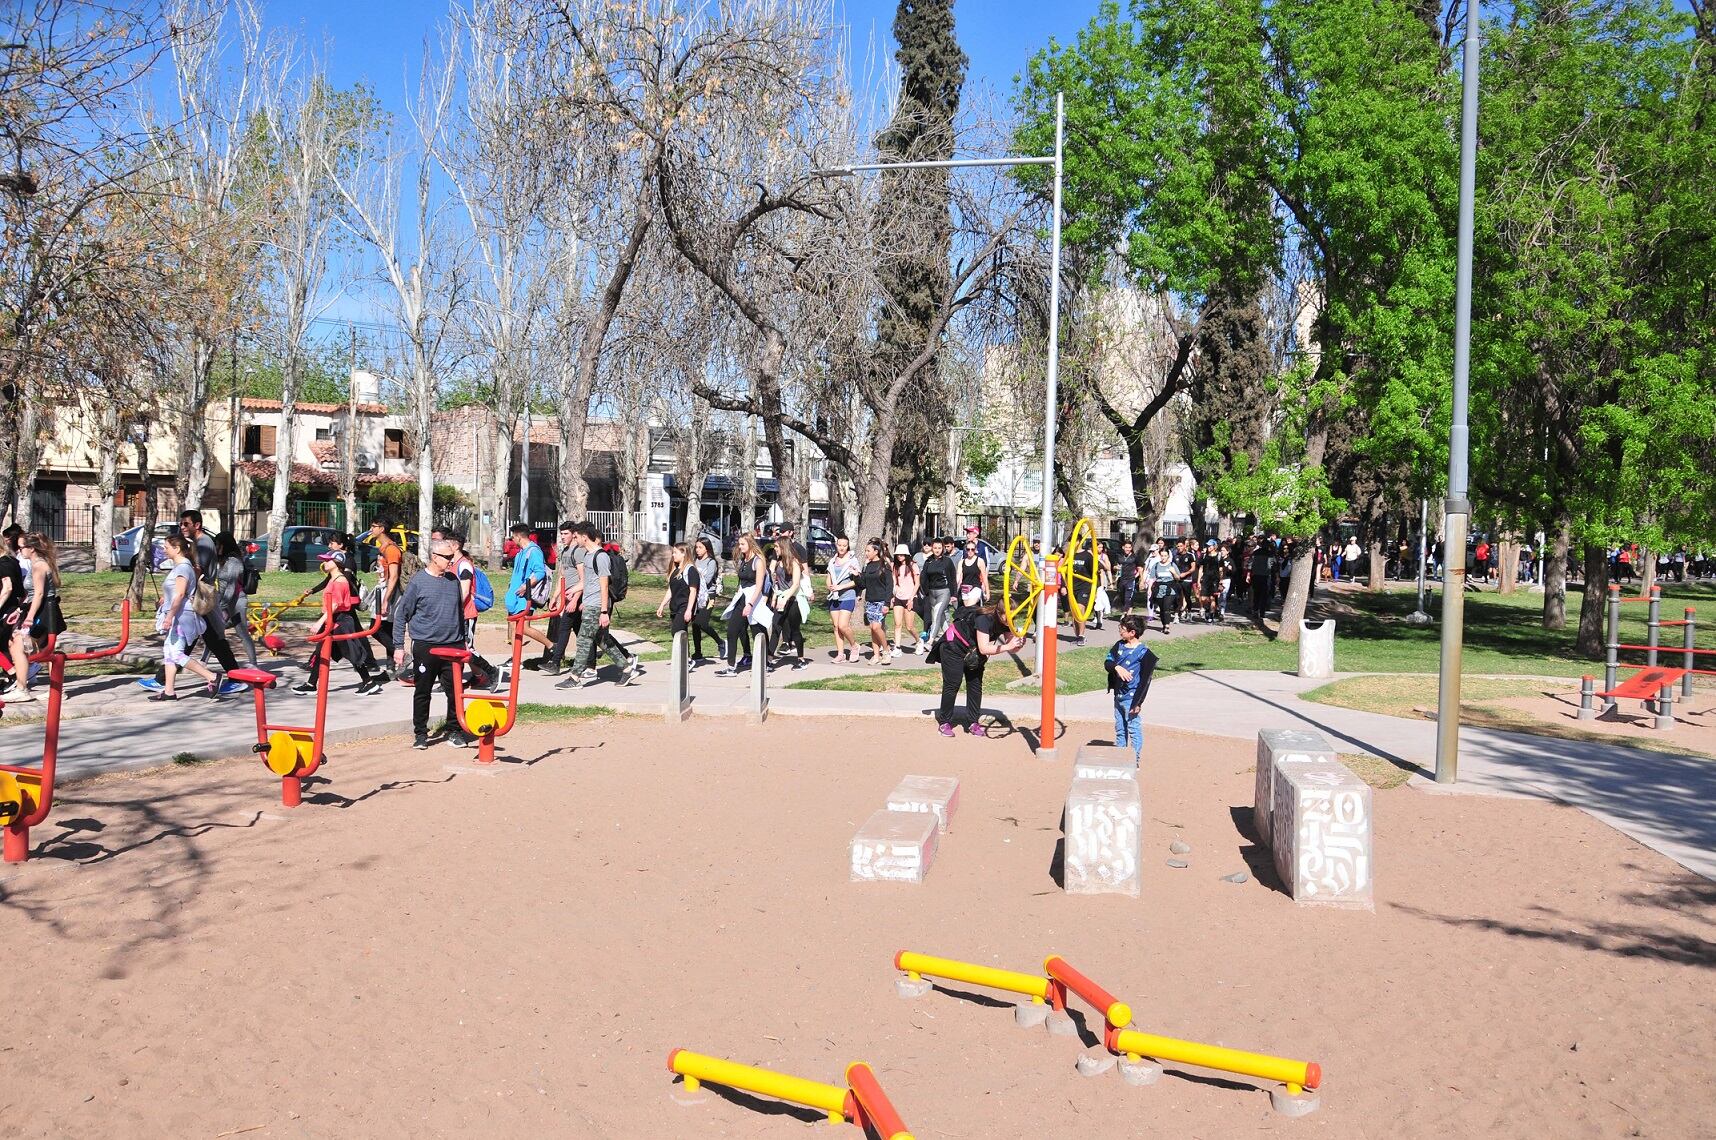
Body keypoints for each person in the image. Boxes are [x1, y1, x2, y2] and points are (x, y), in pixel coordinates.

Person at [391, 540, 471, 748]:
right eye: (447, 558)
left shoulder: (453, 581)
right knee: (423, 690)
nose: (451, 562)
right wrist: (398, 646)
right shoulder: (418, 582)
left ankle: (454, 730)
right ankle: (421, 734)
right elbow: (402, 615)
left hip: (453, 645)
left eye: (452, 558)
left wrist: (463, 642)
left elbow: (458, 613)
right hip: (427, 646)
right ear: (434, 557)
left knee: (455, 691)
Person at [933, 586, 1026, 737]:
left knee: (975, 684)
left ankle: (973, 722)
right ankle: (945, 722)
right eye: (1008, 616)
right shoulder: (984, 619)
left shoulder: (1007, 623)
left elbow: (1011, 648)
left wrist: (1018, 644)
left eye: (1014, 617)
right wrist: (1008, 645)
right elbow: (984, 648)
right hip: (953, 646)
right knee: (953, 683)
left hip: (973, 651)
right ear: (999, 612)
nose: (1011, 620)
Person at [293, 550, 382, 695]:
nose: (324, 563)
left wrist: (319, 623)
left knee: (352, 653)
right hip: (334, 620)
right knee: (322, 652)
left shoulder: (340, 581)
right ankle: (311, 684)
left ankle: (369, 682)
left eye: (328, 560)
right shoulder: (333, 579)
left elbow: (335, 605)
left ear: (337, 563)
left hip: (341, 621)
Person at [152, 533, 222, 701]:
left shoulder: (183, 567)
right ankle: (169, 691)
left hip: (181, 618)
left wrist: (169, 616)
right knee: (169, 652)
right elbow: (175, 593)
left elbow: (181, 594)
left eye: (166, 547)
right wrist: (164, 601)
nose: (164, 550)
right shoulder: (180, 567)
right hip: (178, 616)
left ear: (177, 549)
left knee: (176, 654)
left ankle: (212, 677)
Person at [568, 522, 639, 685]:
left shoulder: (601, 557)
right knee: (602, 640)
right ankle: (627, 669)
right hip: (590, 603)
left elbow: (604, 585)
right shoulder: (587, 556)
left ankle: (574, 678)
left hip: (597, 606)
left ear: (585, 537)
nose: (575, 539)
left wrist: (604, 611)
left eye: (576, 536)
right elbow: (587, 582)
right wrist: (574, 591)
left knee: (584, 639)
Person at [1104, 615, 1157, 761]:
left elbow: (1145, 681)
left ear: (1132, 632)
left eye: (1122, 629)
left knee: (1133, 729)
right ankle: (1121, 758)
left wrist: (1138, 703)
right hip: (1119, 696)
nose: (1120, 631)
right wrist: (1117, 667)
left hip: (1132, 698)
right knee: (1120, 729)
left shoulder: (1144, 653)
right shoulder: (1119, 645)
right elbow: (1108, 663)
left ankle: (1135, 760)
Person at [718, 533, 768, 675]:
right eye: (739, 544)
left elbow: (759, 586)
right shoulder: (744, 560)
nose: (740, 547)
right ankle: (731, 667)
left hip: (754, 601)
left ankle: (763, 663)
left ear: (750, 544)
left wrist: (750, 604)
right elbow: (742, 582)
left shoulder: (758, 561)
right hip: (742, 598)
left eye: (742, 544)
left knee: (758, 632)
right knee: (732, 631)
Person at [505, 522, 555, 664]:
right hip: (515, 597)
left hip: (525, 597)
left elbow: (539, 572)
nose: (512, 540)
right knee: (515, 627)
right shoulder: (521, 552)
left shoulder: (534, 551)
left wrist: (526, 587)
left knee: (524, 627)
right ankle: (515, 660)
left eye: (513, 537)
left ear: (518, 536)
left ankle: (551, 646)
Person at [209, 532, 258, 668]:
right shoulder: (223, 561)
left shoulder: (234, 561)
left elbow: (231, 586)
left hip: (237, 603)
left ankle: (253, 664)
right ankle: (203, 662)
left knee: (242, 633)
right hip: (226, 601)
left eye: (217, 544)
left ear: (224, 545)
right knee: (214, 631)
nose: (215, 547)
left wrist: (222, 606)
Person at [367, 517, 405, 664]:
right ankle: (392, 668)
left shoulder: (391, 549)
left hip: (390, 592)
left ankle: (401, 655)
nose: (371, 529)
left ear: (381, 529)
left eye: (373, 526)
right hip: (384, 590)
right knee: (387, 629)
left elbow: (394, 576)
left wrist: (386, 600)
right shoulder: (383, 547)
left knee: (376, 628)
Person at [769, 539, 807, 669]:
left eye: (777, 547)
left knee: (795, 630)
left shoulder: (794, 563)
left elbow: (796, 584)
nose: (775, 549)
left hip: (793, 600)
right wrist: (775, 597)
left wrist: (785, 598)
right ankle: (769, 659)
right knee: (776, 627)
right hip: (781, 600)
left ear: (784, 548)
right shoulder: (779, 563)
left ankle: (801, 660)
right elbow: (778, 583)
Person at [0, 527, 28, 700]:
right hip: (11, 607)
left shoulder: (4, 563)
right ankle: (12, 674)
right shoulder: (11, 560)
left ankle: (12, 674)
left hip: (7, 608)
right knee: (4, 644)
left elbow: (8, 587)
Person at [655, 543, 700, 648]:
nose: (673, 555)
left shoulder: (691, 570)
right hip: (674, 606)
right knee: (681, 633)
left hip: (684, 606)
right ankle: (686, 659)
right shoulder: (675, 570)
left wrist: (689, 610)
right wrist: (662, 605)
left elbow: (693, 591)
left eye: (675, 552)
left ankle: (684, 659)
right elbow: (671, 590)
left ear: (684, 553)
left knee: (676, 632)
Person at [689, 536, 725, 665]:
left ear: (707, 548)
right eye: (696, 547)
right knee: (695, 625)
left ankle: (720, 642)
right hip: (696, 596)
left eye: (700, 547)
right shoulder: (694, 561)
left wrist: (694, 579)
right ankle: (698, 652)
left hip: (709, 596)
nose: (697, 550)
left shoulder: (711, 562)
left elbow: (708, 579)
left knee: (702, 623)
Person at [825, 535, 861, 663]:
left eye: (844, 546)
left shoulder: (853, 560)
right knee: (836, 626)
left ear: (848, 546)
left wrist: (840, 587)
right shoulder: (832, 561)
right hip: (834, 597)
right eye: (839, 545)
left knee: (843, 625)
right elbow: (829, 575)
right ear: (836, 545)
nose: (842, 548)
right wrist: (829, 585)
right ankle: (841, 654)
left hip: (848, 596)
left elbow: (856, 581)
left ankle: (854, 645)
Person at [860, 538, 893, 664]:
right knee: (872, 629)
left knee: (876, 626)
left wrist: (887, 603)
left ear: (876, 551)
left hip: (881, 601)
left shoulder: (884, 565)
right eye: (865, 550)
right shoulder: (867, 566)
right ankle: (876, 655)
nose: (866, 553)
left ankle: (886, 650)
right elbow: (863, 584)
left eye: (868, 550)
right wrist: (857, 574)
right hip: (870, 601)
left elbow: (890, 586)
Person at [920, 537, 955, 647]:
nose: (937, 550)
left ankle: (930, 641)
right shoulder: (928, 561)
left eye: (939, 548)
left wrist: (953, 594)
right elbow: (923, 578)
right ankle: (952, 639)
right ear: (932, 548)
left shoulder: (947, 561)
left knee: (936, 615)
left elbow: (952, 578)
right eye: (935, 548)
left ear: (943, 548)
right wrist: (925, 592)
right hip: (931, 593)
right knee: (942, 618)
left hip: (944, 592)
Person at [890, 543, 919, 655]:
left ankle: (918, 640)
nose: (900, 556)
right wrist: (894, 595)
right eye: (898, 554)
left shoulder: (912, 566)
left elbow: (917, 583)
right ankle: (897, 647)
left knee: (909, 626)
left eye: (902, 554)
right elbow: (895, 582)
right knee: (897, 624)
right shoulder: (895, 567)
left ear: (906, 555)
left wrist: (911, 598)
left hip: (910, 598)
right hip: (898, 597)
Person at [1067, 537, 1096, 645]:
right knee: (1074, 613)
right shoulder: (1069, 555)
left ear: (1079, 541)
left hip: (1084, 586)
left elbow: (1094, 572)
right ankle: (1077, 636)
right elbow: (1065, 571)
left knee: (1080, 610)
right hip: (1072, 586)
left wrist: (1096, 589)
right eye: (1070, 541)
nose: (1071, 543)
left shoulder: (1087, 556)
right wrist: (1064, 586)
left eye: (1074, 541)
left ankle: (1082, 636)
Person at [957, 536, 988, 603]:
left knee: (969, 606)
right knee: (967, 608)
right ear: (965, 550)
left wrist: (987, 592)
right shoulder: (961, 562)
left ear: (975, 550)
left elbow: (985, 578)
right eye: (968, 549)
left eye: (972, 549)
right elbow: (958, 577)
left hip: (976, 587)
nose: (970, 551)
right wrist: (955, 590)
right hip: (965, 588)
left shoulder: (980, 561)